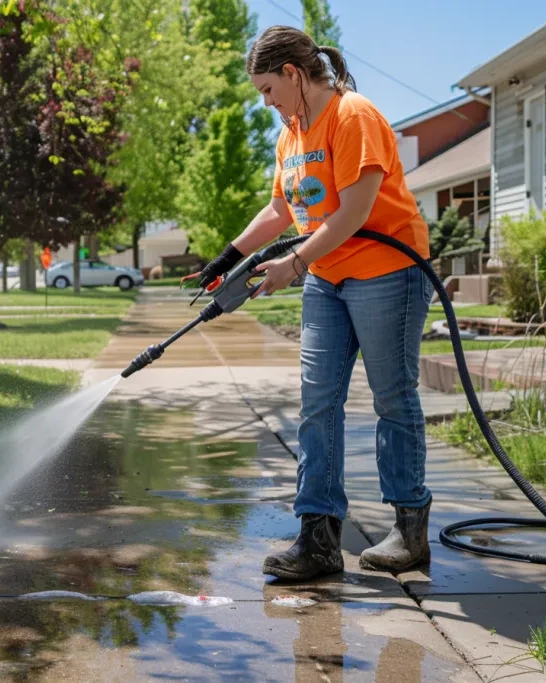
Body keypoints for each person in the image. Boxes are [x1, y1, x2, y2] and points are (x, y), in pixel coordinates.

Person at [191, 26, 434, 581]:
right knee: (317, 402)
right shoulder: (292, 135)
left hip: (386, 271)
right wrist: (228, 257)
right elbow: (282, 210)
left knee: (392, 398)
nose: (266, 101)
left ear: (294, 74)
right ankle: (319, 538)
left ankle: (409, 530)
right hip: (327, 277)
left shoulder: (354, 118)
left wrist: (293, 265)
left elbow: (350, 213)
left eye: (267, 89)